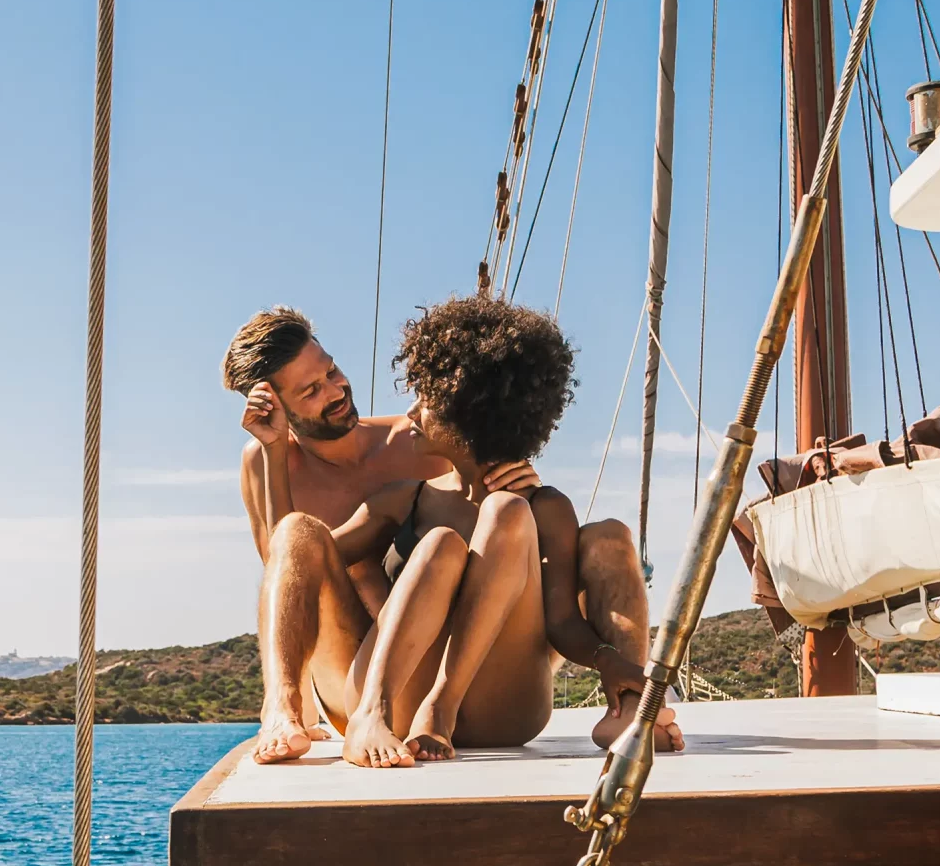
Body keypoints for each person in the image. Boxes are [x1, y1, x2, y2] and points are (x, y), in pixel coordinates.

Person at [227, 300, 677, 766]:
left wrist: (607, 657)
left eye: (332, 371)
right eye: (311, 391)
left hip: (499, 685)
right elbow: (289, 564)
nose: (335, 389)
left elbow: (556, 612)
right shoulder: (390, 491)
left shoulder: (417, 441)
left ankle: (632, 709)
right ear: (276, 406)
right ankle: (285, 710)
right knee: (413, 540)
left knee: (590, 532)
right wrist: (274, 453)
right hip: (383, 671)